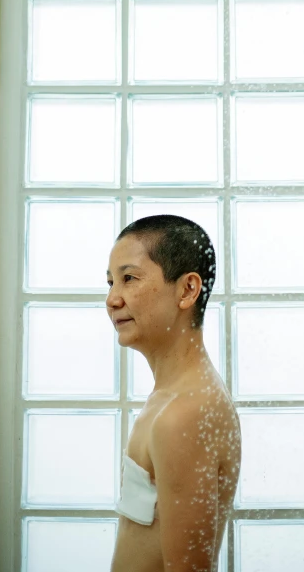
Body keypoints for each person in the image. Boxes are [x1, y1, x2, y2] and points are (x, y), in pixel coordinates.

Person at [106, 214, 242, 572]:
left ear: (187, 290)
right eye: (110, 282)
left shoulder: (185, 412)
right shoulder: (174, 395)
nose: (112, 299)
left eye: (128, 278)